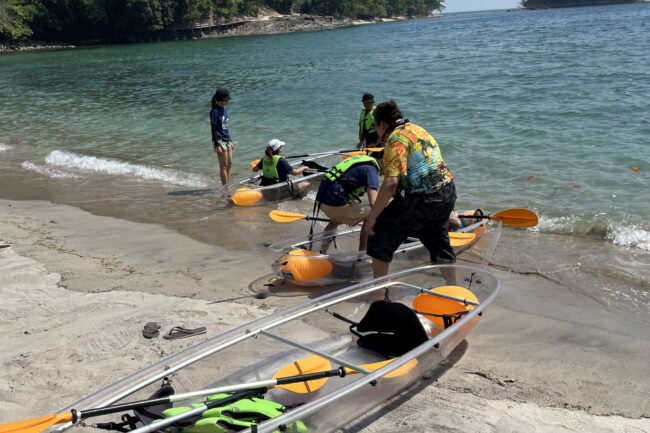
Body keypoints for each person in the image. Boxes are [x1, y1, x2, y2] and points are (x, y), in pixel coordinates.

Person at [364, 100, 457, 280]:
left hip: (424, 198)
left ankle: (379, 294)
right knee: (439, 242)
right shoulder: (416, 129)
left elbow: (390, 183)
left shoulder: (395, 139)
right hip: (447, 191)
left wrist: (373, 216)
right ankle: (453, 289)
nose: (376, 130)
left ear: (383, 124)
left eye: (376, 126)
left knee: (378, 232)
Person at [314, 155, 379, 253]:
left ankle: (322, 251)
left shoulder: (360, 163)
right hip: (335, 204)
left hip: (320, 200)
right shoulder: (371, 169)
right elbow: (373, 203)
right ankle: (362, 255)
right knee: (372, 214)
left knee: (334, 221)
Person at [210, 88, 234, 185]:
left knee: (229, 165)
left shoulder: (224, 109)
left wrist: (231, 141)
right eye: (226, 100)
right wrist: (216, 144)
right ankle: (226, 189)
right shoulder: (214, 111)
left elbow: (225, 127)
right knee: (223, 166)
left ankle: (229, 185)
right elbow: (213, 128)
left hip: (227, 139)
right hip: (219, 140)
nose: (228, 101)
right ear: (220, 100)